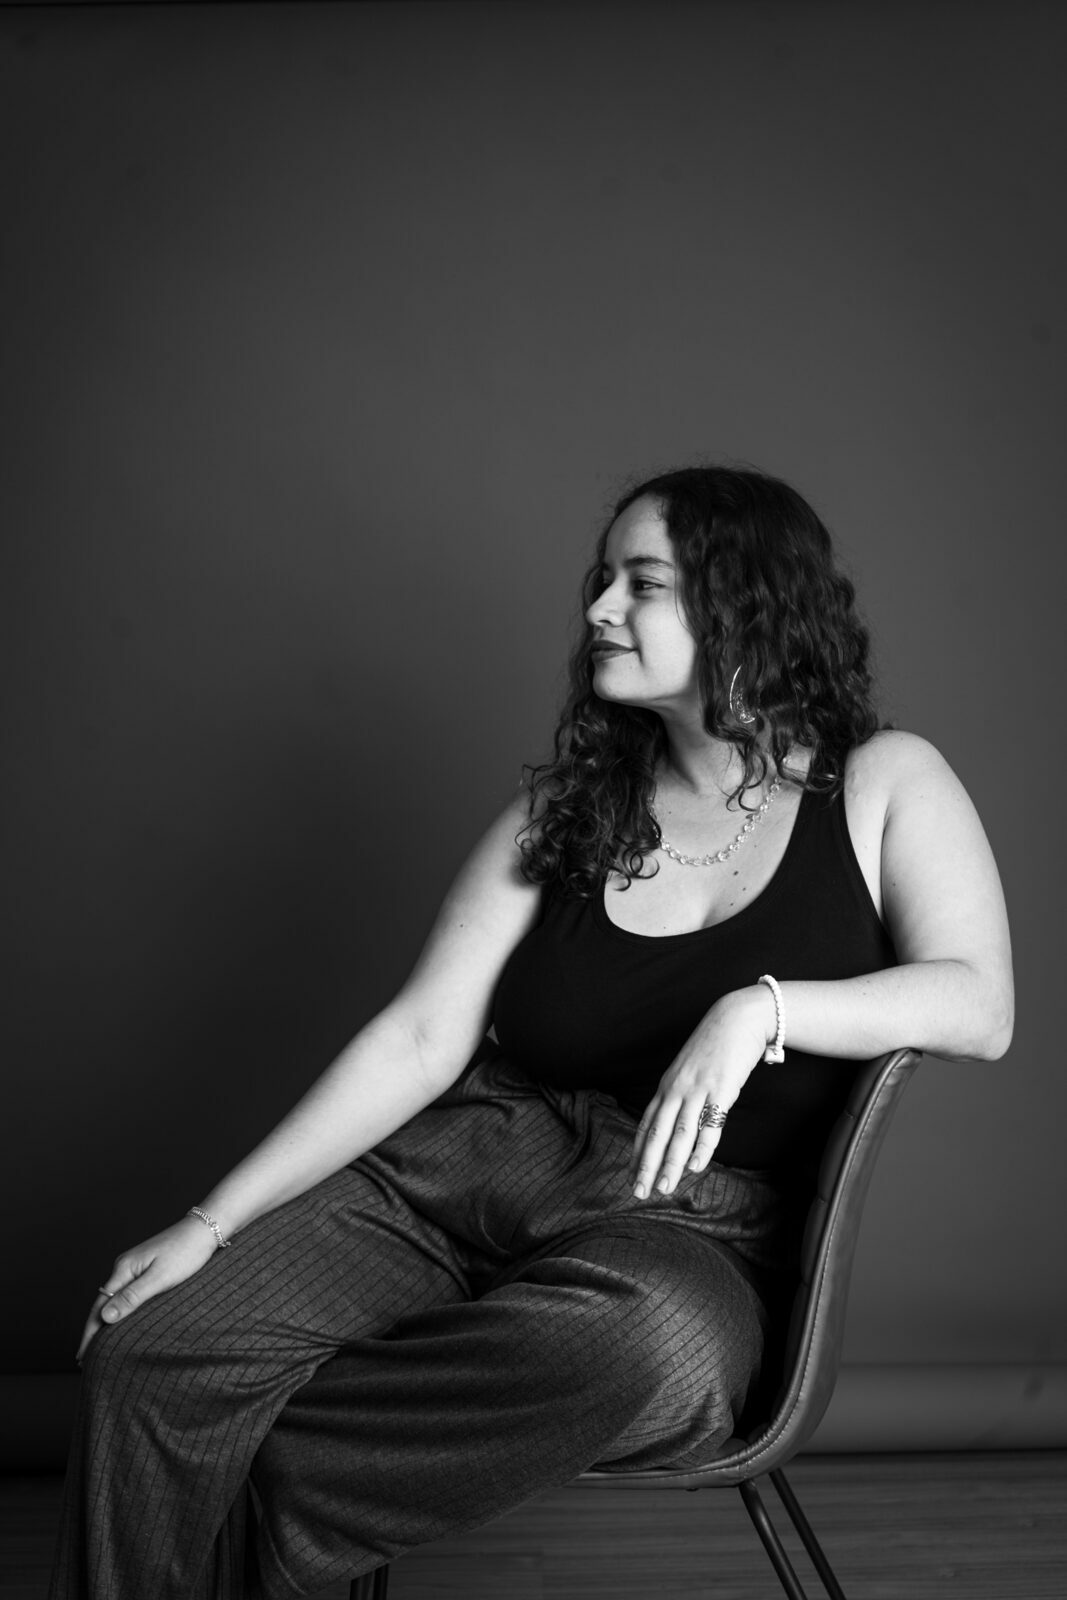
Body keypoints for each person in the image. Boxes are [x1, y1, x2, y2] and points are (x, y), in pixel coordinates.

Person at [50, 465, 1013, 1599]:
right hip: (453, 1181)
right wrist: (209, 1224)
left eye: (640, 582)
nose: (599, 607)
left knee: (654, 1352)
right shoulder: (564, 810)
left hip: (680, 1233)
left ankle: (240, 1508)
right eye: (600, 579)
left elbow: (978, 1004)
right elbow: (418, 1038)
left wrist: (762, 1007)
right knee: (148, 1345)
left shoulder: (883, 783)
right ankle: (205, 1500)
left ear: (742, 599)